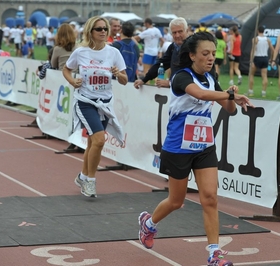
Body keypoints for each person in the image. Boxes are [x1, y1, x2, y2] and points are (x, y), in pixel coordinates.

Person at [137, 31, 254, 266]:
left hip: (204, 146)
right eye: (205, 53)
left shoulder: (212, 79)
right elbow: (199, 93)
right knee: (176, 201)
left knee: (210, 198)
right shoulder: (181, 77)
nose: (211, 58)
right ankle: (148, 224)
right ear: (192, 55)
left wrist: (231, 98)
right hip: (178, 147)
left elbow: (229, 110)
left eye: (213, 53)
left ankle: (214, 253)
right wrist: (229, 94)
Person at [62, 16, 128, 198]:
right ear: (90, 32)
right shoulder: (81, 52)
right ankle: (90, 182)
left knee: (93, 142)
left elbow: (125, 80)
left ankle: (82, 176)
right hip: (85, 101)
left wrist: (118, 74)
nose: (103, 32)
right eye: (99, 29)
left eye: (105, 28)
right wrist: (72, 81)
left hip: (105, 104)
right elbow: (66, 69)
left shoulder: (113, 53)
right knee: (99, 140)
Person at [134, 17, 189, 89]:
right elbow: (161, 63)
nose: (177, 35)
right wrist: (144, 79)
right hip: (176, 92)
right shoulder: (173, 47)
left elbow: (192, 74)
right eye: (174, 32)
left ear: (187, 31)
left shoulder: (194, 47)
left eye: (180, 31)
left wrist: (170, 83)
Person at [248, 25, 275, 97]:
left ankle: (250, 91)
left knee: (251, 74)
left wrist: (251, 60)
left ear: (258, 31)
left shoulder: (255, 39)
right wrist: (272, 58)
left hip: (257, 57)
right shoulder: (267, 39)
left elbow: (253, 50)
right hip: (265, 58)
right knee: (264, 76)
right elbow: (273, 50)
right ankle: (263, 92)